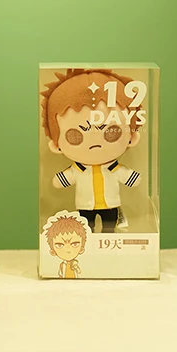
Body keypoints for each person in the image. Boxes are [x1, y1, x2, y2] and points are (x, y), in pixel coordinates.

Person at [41, 69, 141, 232]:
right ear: (56, 145)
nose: (95, 142)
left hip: (111, 204)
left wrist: (132, 177)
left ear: (132, 137)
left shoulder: (114, 168)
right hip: (85, 205)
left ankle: (107, 240)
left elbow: (131, 178)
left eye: (111, 132)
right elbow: (61, 181)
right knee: (87, 228)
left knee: (109, 227)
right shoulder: (77, 170)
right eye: (75, 136)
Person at [44, 213, 88, 279]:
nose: (68, 249)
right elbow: (60, 273)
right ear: (53, 252)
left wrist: (76, 267)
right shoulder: (62, 265)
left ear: (81, 249)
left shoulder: (74, 263)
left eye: (74, 244)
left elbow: (79, 271)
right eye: (59, 245)